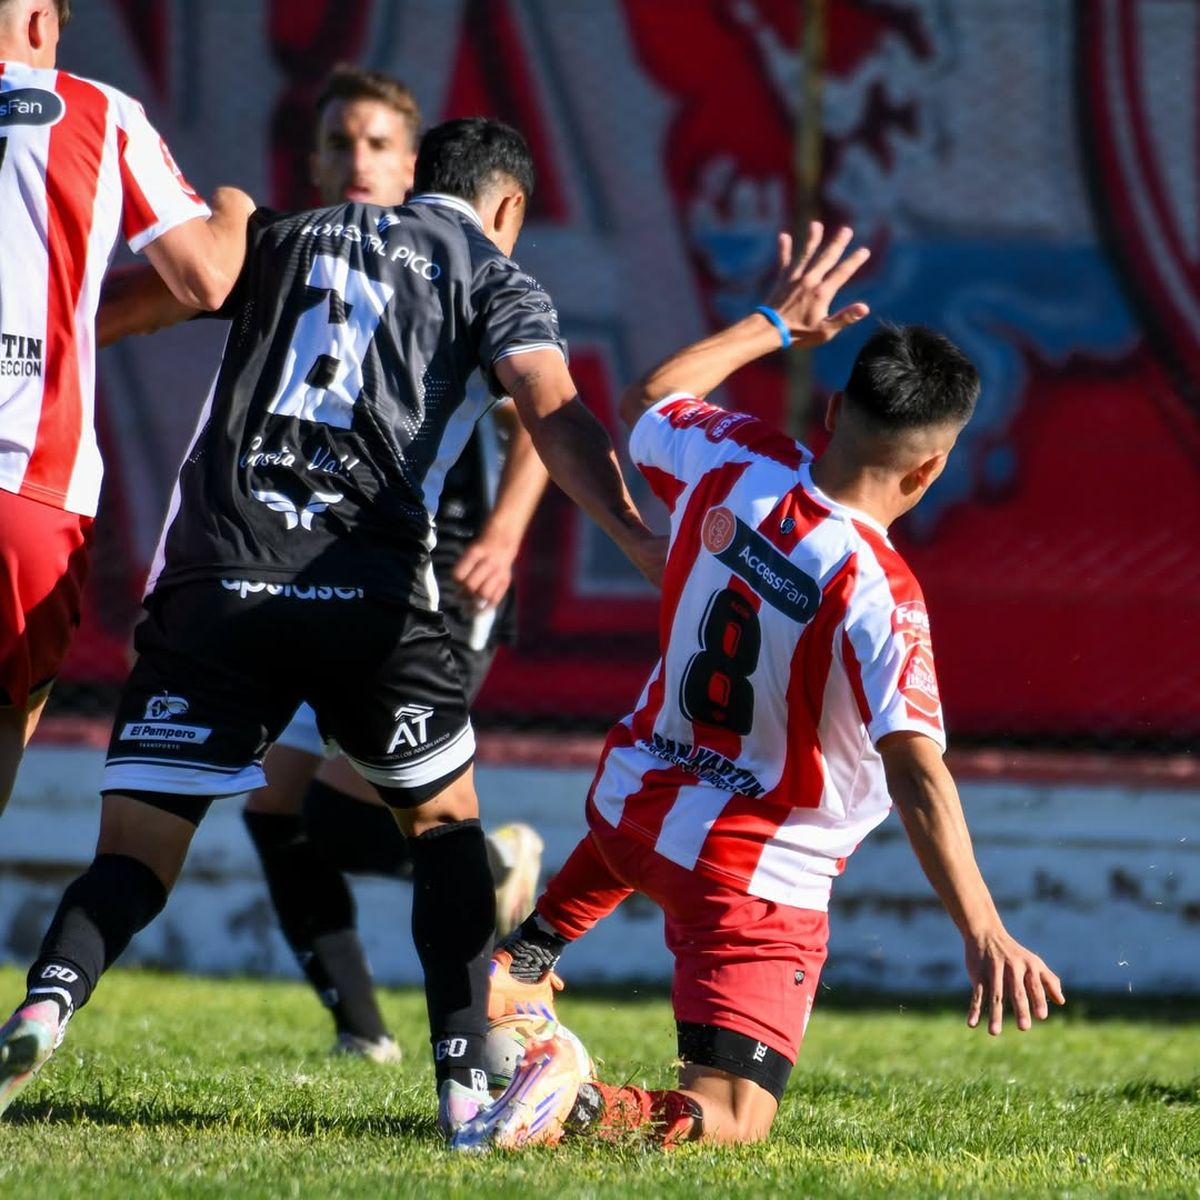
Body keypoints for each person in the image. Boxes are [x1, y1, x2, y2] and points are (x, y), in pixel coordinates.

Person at [0, 115, 662, 1142]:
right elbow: (553, 411)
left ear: (415, 179)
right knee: (443, 826)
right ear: (508, 209)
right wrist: (641, 540)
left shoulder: (285, 237)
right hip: (372, 595)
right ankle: (460, 1086)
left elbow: (175, 290)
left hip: (219, 585)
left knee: (133, 853)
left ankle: (46, 998)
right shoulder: (493, 275)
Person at [458, 223, 1065, 1151]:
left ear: (830, 417)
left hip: (631, 806)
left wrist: (772, 321)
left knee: (634, 839)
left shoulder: (736, 460)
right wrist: (983, 929)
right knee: (735, 1120)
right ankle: (567, 1103)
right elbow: (919, 775)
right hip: (751, 879)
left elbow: (651, 396)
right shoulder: (882, 592)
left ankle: (525, 955)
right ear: (931, 468)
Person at [240, 65, 549, 1065]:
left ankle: (488, 930)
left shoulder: (455, 267)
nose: (356, 160)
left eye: (377, 143)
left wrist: (501, 536)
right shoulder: (309, 259)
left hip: (437, 572)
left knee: (351, 810)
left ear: (413, 165)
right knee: (274, 804)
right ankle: (363, 1032)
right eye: (338, 143)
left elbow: (539, 416)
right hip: (308, 568)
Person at [0, 0, 253, 817]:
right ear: (42, 19)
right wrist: (237, 209)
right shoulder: (101, 114)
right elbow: (206, 278)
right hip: (29, 485)